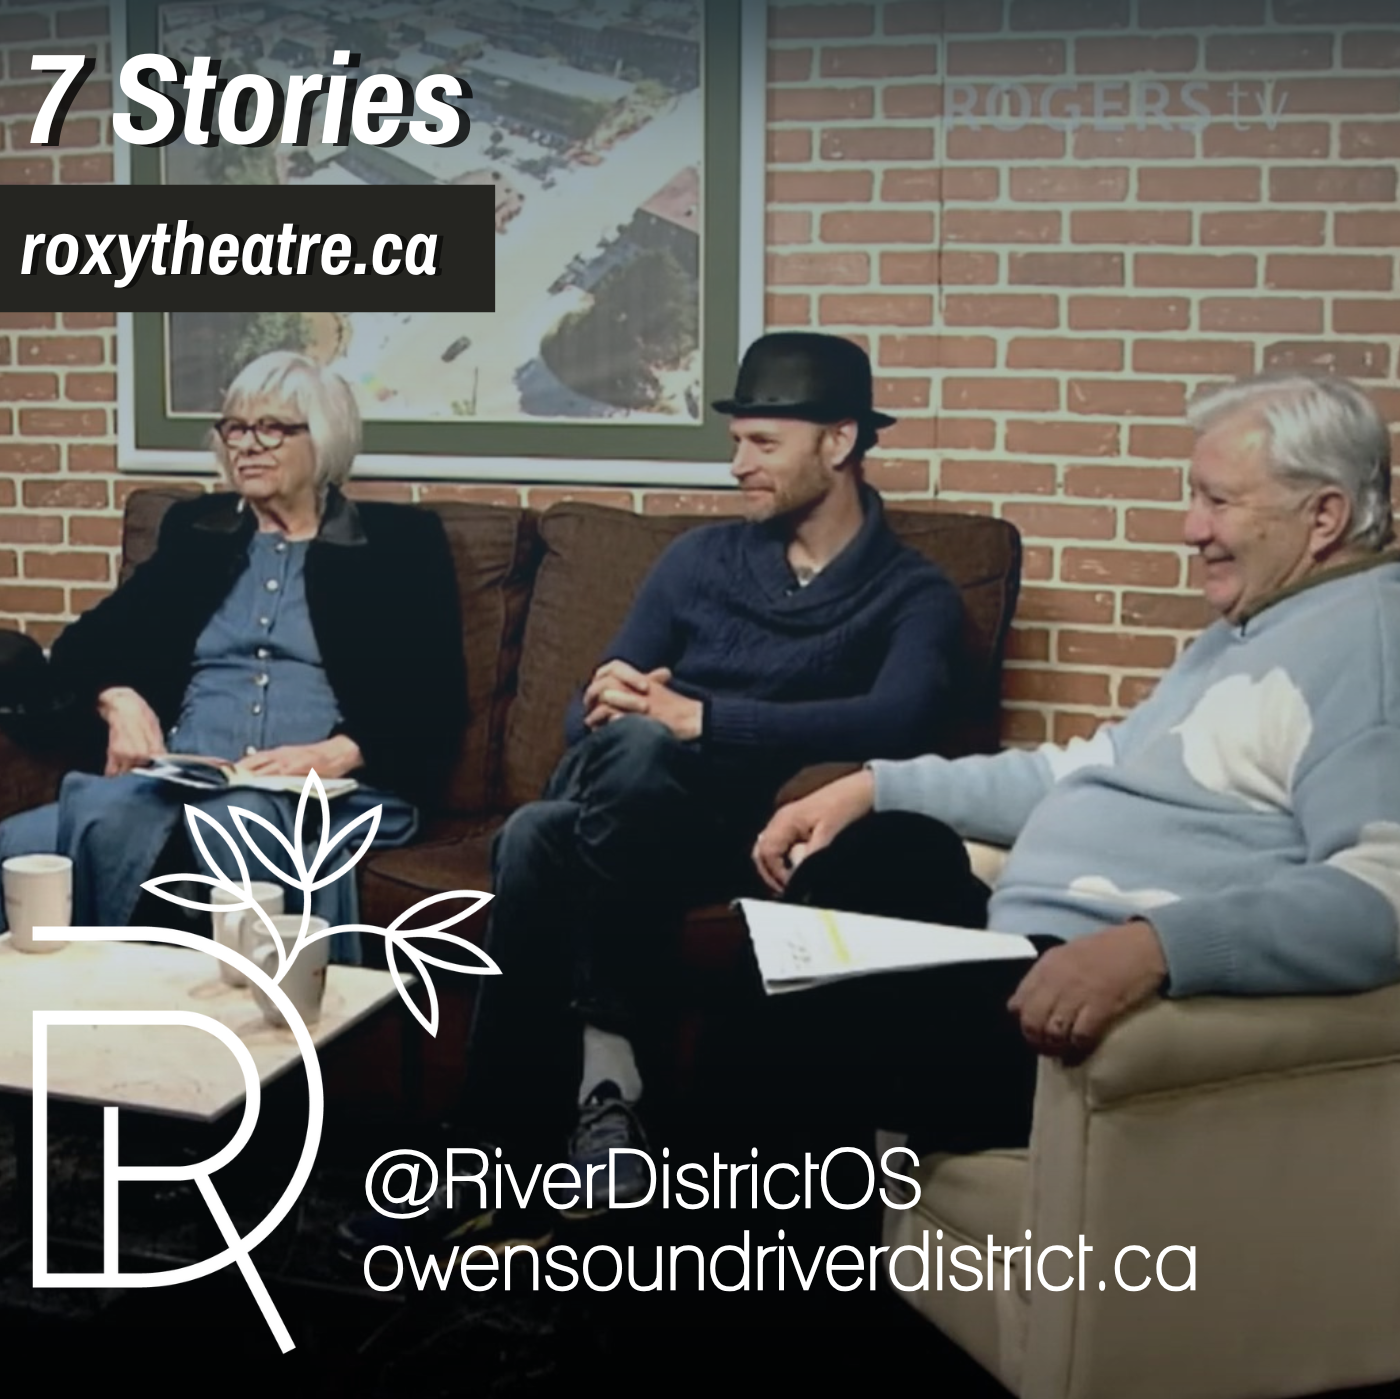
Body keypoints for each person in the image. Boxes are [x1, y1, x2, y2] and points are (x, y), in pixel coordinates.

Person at [339, 331, 967, 1257]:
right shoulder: (699, 561)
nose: (737, 465)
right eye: (737, 441)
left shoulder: (914, 594)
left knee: (533, 842)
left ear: (838, 444)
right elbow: (589, 710)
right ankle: (610, 1089)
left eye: (762, 444)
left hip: (748, 833)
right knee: (626, 754)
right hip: (634, 797)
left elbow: (900, 719)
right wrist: (613, 705)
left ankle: (492, 1163)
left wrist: (704, 722)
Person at [741, 370, 1400, 1160]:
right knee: (893, 849)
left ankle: (708, 1236)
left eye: (1218, 501)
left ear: (1323, 515)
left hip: (1064, 1000)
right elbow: (1093, 766)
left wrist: (1154, 947)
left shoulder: (1371, 649)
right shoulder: (1249, 630)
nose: (1191, 529)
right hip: (1007, 955)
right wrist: (877, 784)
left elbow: (1381, 891)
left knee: (775, 1023)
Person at [0, 352, 465, 962]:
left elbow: (436, 695)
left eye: (272, 428)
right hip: (180, 780)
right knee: (19, 843)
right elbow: (86, 645)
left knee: (232, 820)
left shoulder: (400, 545)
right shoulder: (198, 532)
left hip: (324, 793)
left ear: (322, 438)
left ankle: (270, 1037)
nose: (248, 445)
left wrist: (341, 751)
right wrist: (119, 699)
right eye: (235, 429)